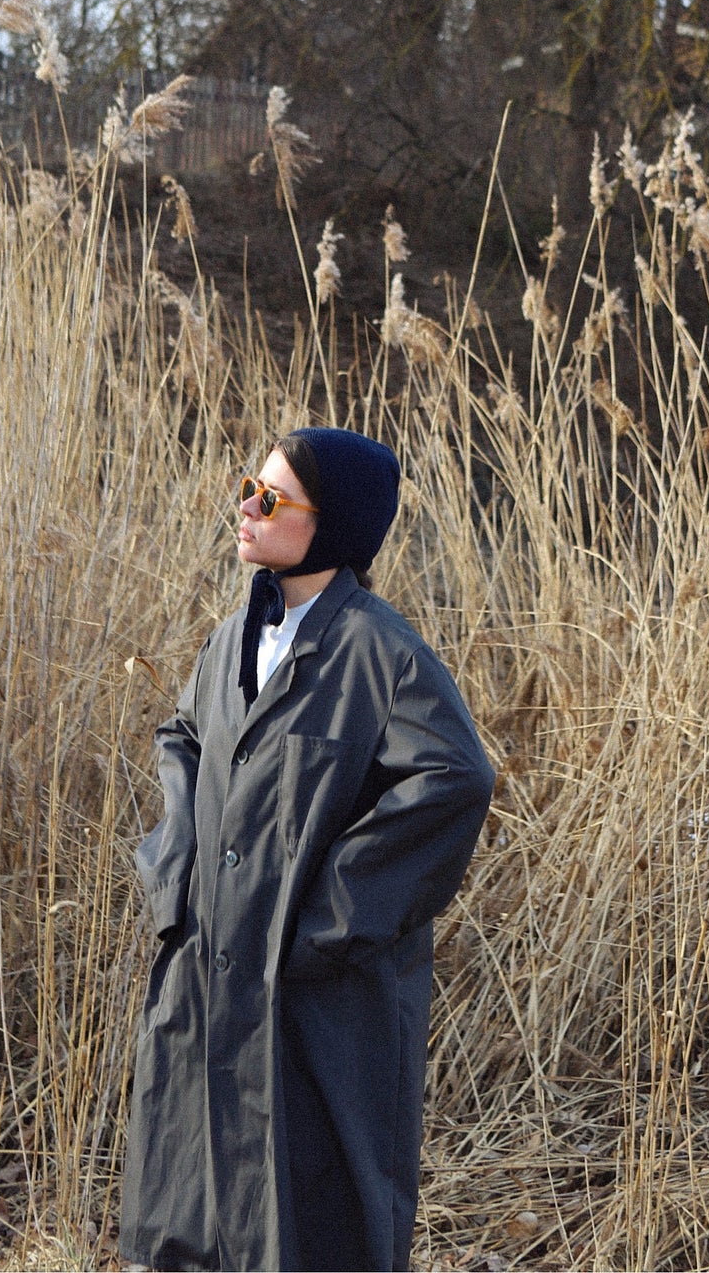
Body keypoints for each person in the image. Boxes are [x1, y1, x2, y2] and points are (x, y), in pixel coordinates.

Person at [120, 426, 496, 1273]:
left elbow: (454, 780)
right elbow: (182, 736)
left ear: (332, 526)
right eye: (248, 486)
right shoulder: (231, 640)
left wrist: (328, 921)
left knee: (310, 1219)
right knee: (186, 1211)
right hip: (206, 975)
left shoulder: (381, 653)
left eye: (271, 498)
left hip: (315, 999)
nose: (245, 508)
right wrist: (170, 872)